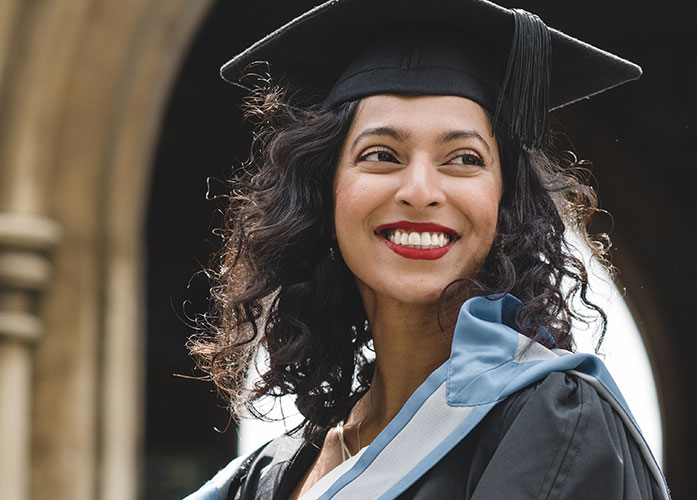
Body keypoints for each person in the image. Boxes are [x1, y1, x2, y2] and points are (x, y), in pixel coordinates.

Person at [185, 0, 670, 498]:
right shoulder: (267, 477)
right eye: (381, 155)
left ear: (505, 204)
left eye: (463, 158)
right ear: (323, 196)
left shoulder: (553, 423)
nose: (420, 190)